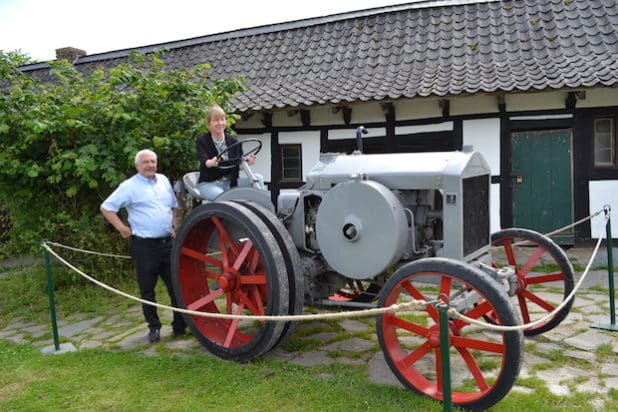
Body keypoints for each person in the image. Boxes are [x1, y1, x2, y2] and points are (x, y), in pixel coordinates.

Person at [100, 149, 186, 343]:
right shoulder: (129, 186)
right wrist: (122, 228)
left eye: (153, 161)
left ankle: (180, 326)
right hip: (145, 246)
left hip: (167, 244)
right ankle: (154, 328)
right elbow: (107, 207)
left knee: (176, 286)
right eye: (146, 162)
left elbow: (172, 205)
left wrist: (174, 224)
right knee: (148, 290)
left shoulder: (163, 180)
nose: (150, 165)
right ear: (137, 166)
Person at [196, 105, 262, 200]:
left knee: (258, 178)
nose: (220, 123)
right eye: (216, 120)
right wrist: (211, 163)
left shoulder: (233, 141)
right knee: (224, 196)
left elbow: (236, 165)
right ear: (209, 123)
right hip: (209, 184)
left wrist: (247, 163)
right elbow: (204, 159)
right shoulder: (203, 140)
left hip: (231, 183)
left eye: (222, 120)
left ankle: (260, 211)